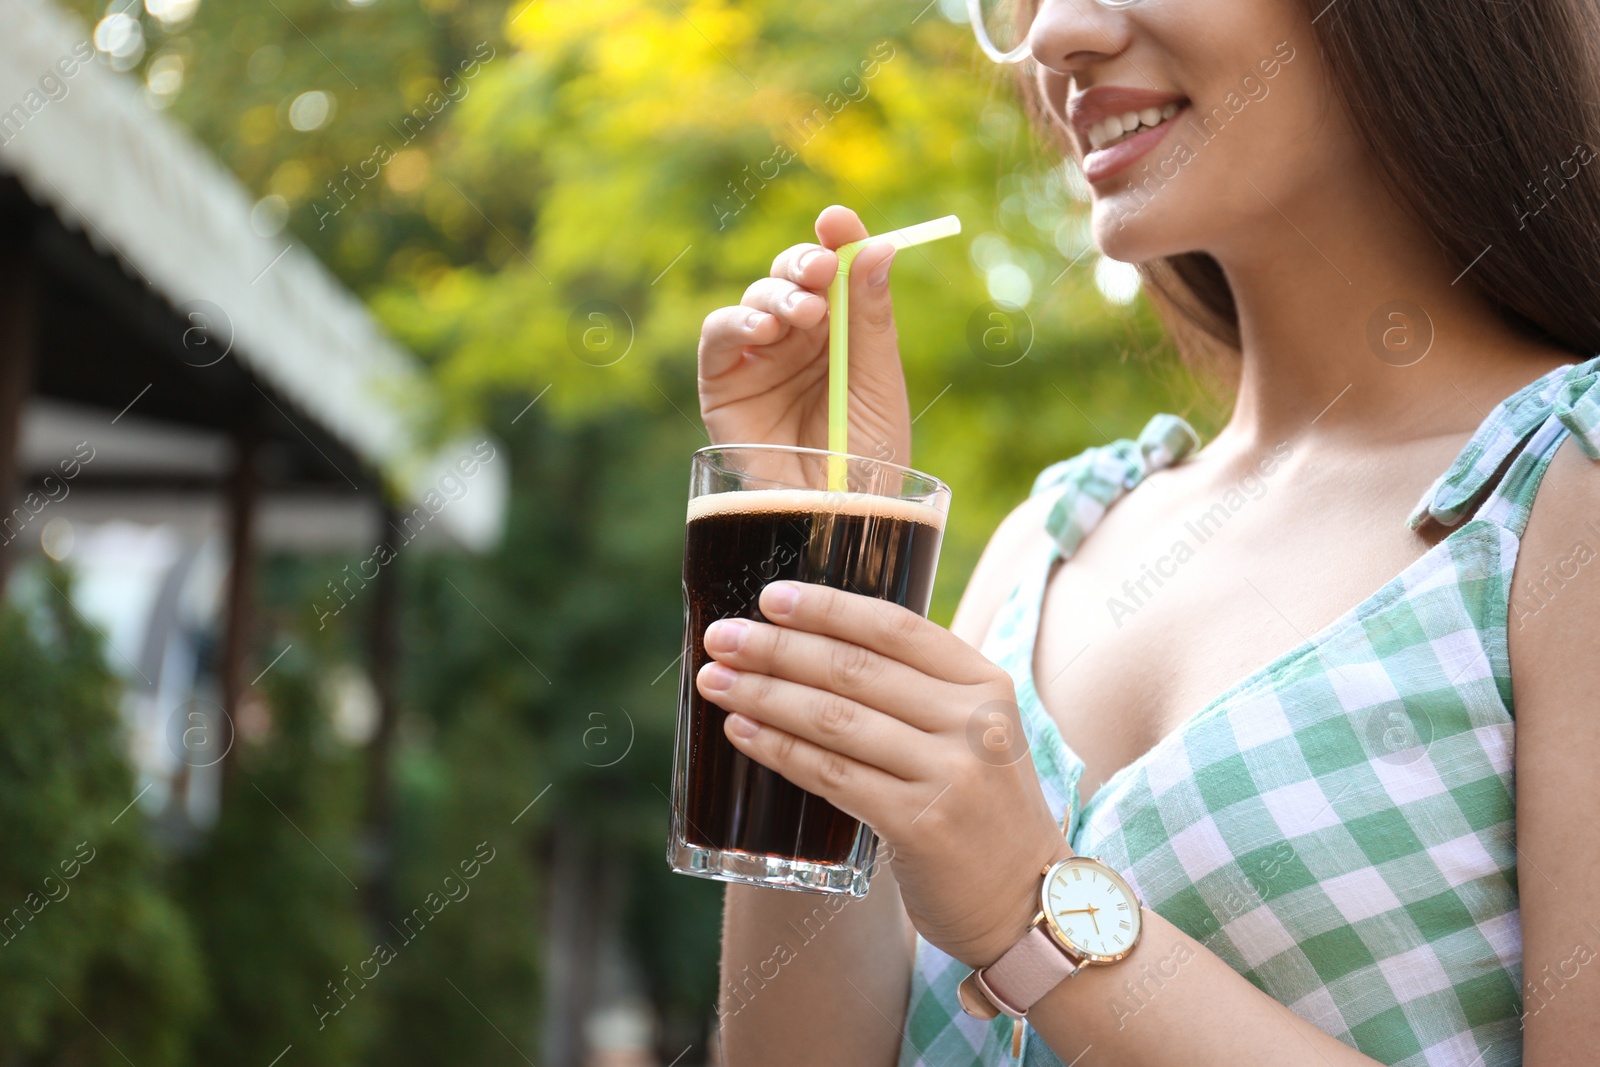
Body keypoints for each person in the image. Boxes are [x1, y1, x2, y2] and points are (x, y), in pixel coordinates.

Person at [693, 1, 1600, 1063]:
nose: (1052, 37)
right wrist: (822, 538)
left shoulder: (1557, 493)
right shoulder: (1050, 540)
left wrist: (1031, 912)